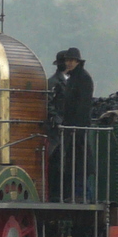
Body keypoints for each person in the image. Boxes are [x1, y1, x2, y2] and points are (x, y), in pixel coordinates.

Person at [61, 47, 94, 201]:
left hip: (78, 128)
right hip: (72, 127)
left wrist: (76, 128)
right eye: (67, 60)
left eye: (71, 60)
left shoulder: (84, 79)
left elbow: (83, 106)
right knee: (74, 162)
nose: (69, 63)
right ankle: (77, 194)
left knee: (80, 162)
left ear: (77, 62)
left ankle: (84, 195)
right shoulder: (73, 78)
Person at [47, 50, 69, 201]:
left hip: (67, 126)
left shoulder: (71, 81)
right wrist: (57, 118)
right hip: (56, 128)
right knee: (55, 160)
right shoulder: (53, 82)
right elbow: (47, 103)